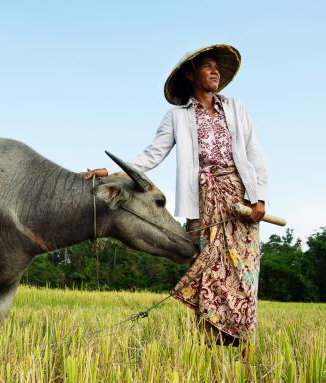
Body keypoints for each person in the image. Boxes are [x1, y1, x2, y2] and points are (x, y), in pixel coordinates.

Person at [84, 44, 268, 347]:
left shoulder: (236, 108)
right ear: (190, 73)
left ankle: (243, 343)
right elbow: (151, 155)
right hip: (204, 202)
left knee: (243, 272)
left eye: (216, 67)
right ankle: (208, 345)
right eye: (208, 66)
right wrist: (112, 172)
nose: (215, 72)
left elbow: (254, 153)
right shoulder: (177, 117)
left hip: (241, 201)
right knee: (208, 269)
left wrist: (259, 197)